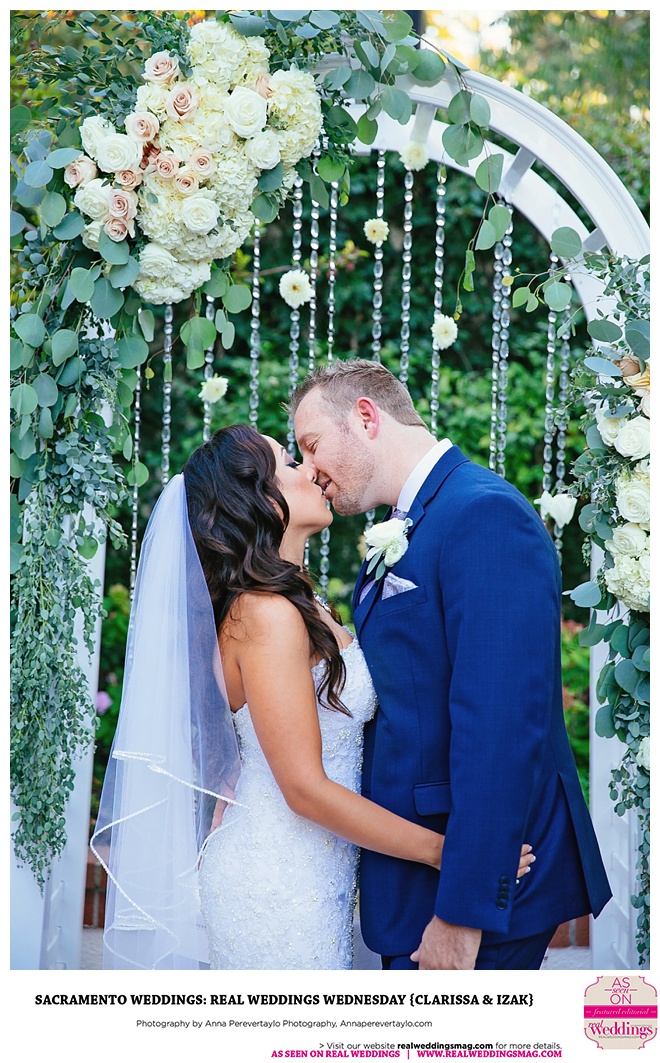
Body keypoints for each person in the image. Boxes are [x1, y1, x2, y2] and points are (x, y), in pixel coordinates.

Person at [90, 422, 537, 971]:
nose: (312, 472)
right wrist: (448, 853)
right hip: (277, 881)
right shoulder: (266, 615)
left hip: (313, 869)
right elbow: (303, 788)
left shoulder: (296, 602)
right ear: (261, 500)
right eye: (290, 462)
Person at [291, 358, 612, 971]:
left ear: (366, 417)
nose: (310, 469)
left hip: (475, 891)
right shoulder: (413, 522)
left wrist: (465, 910)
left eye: (312, 445)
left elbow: (500, 725)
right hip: (416, 879)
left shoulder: (484, 514)